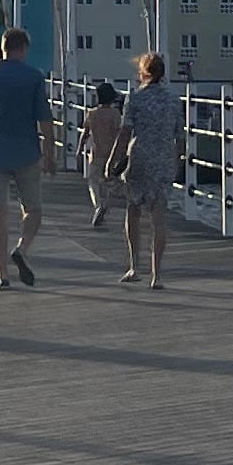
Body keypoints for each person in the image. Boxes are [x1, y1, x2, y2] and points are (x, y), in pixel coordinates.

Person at [0, 25, 52, 289]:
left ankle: (2, 275)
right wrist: (50, 152)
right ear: (24, 48)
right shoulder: (34, 77)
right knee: (34, 210)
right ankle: (22, 248)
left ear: (3, 48)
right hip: (26, 151)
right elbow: (44, 118)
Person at [121, 50, 184, 288]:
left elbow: (126, 131)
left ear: (144, 73)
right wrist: (177, 160)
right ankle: (157, 274)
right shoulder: (173, 99)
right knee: (158, 216)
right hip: (164, 157)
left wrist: (114, 160)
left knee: (133, 210)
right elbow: (180, 135)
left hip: (139, 157)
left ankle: (134, 266)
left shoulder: (135, 98)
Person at [80, 80, 132, 229]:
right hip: (111, 154)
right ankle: (105, 205)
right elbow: (119, 133)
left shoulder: (91, 113)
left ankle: (98, 205)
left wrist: (79, 149)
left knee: (93, 181)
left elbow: (85, 133)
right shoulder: (115, 114)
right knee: (111, 181)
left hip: (95, 153)